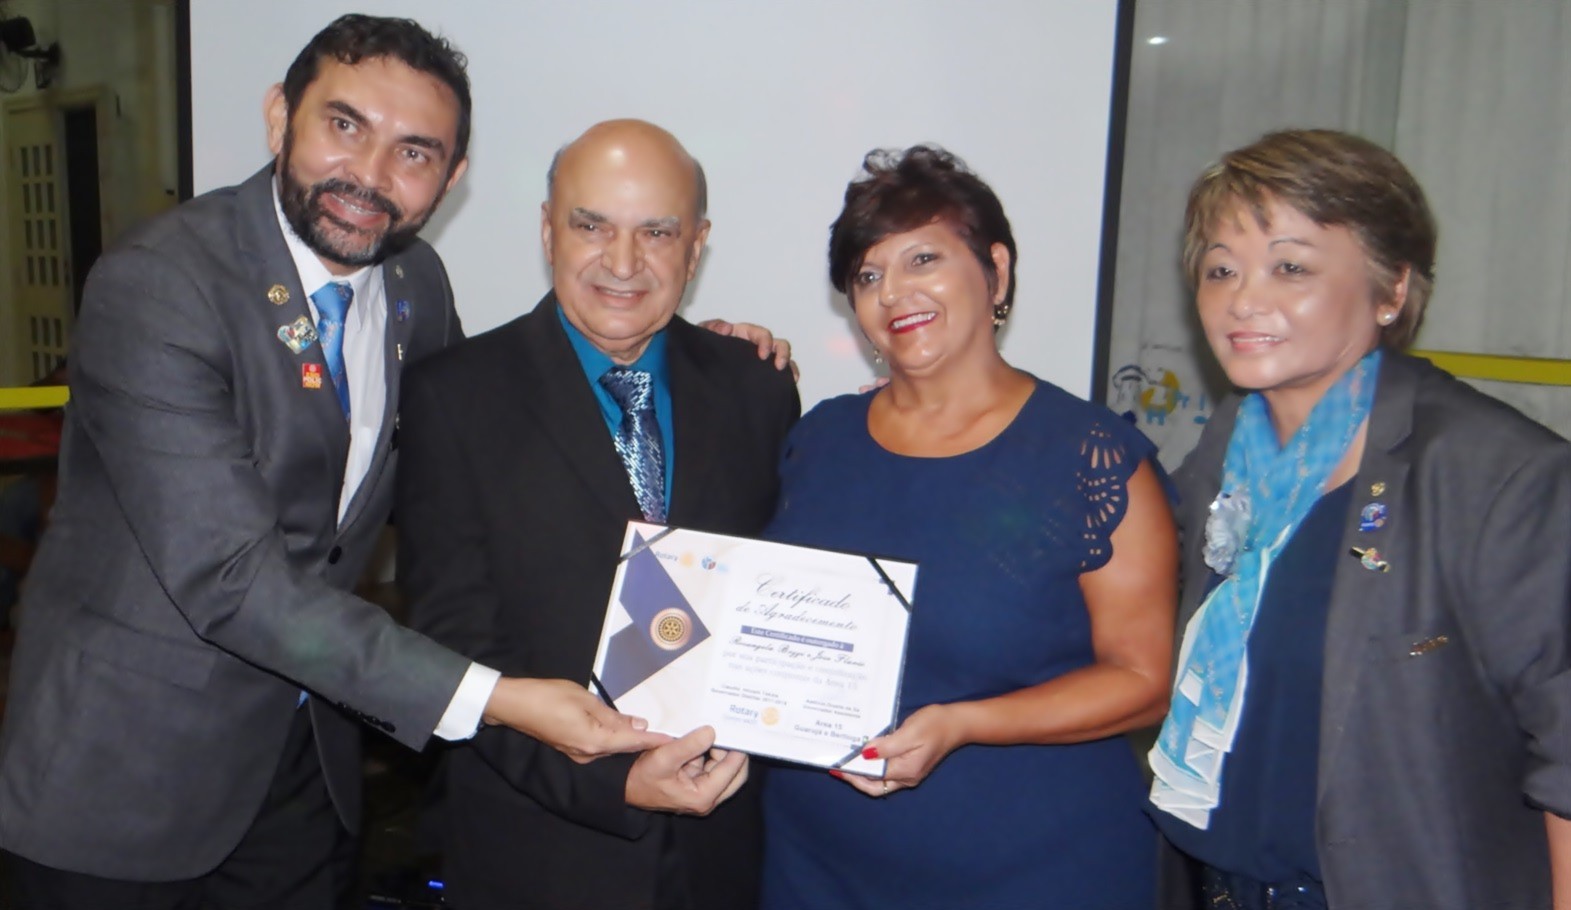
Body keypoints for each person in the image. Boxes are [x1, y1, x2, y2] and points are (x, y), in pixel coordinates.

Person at [0, 17, 763, 909]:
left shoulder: (413, 286)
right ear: (279, 116)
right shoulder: (161, 283)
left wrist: (702, 359)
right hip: (124, 777)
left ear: (451, 176)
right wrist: (499, 698)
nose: (370, 174)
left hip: (305, 768)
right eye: (345, 125)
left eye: (414, 151)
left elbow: (503, 447)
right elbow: (231, 581)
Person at [1148, 128, 1571, 910]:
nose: (1242, 298)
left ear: (1390, 290)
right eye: (1220, 268)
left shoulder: (1496, 475)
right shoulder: (1226, 455)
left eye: (1289, 267)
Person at [757, 146, 1178, 910]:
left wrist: (962, 724)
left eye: (923, 258)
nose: (893, 293)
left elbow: (1142, 683)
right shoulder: (817, 438)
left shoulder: (1087, 456)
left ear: (995, 270)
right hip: (816, 867)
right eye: (867, 275)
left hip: (1034, 868)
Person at [396, 119, 800, 910]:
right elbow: (454, 648)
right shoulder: (454, 397)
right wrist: (617, 785)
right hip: (539, 856)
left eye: (657, 232)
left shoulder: (757, 387)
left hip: (722, 855)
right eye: (591, 227)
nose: (622, 262)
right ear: (548, 230)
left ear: (696, 246)